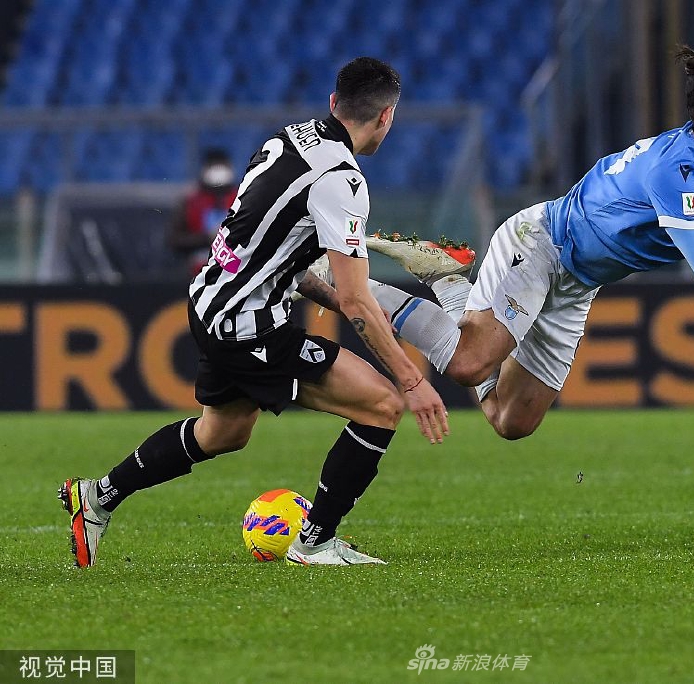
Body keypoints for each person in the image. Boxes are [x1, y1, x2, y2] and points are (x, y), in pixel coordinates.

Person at [298, 46, 694, 443]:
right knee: (470, 365)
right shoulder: (674, 170)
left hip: (579, 283)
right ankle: (341, 282)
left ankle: (450, 280)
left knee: (509, 422)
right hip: (540, 242)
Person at [59, 57, 449, 569]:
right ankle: (314, 544)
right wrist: (410, 379)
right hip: (250, 324)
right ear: (386, 118)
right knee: (382, 405)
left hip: (210, 301)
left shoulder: (287, 139)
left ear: (333, 104)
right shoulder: (342, 181)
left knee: (222, 432)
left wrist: (330, 299)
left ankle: (98, 495)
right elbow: (355, 299)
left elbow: (272, 254)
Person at [168, 148, 239, 277]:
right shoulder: (190, 202)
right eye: (214, 166)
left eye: (222, 166)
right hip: (199, 271)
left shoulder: (242, 198)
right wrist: (206, 238)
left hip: (236, 269)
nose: (218, 172)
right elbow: (174, 240)